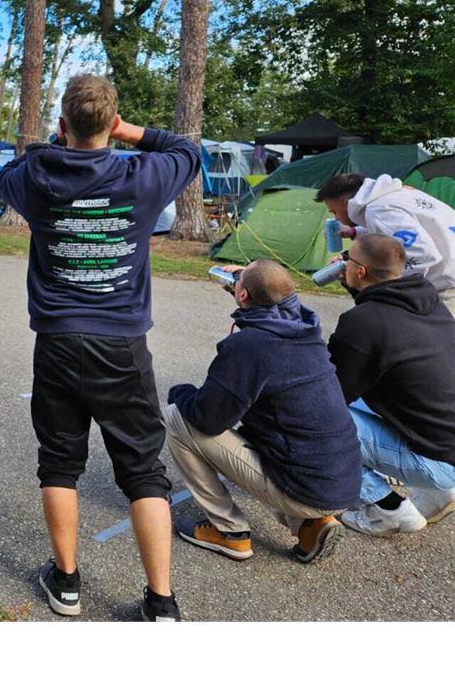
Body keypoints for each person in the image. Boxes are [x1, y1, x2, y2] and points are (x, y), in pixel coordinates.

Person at [0, 74, 201, 621]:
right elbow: (188, 147)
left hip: (59, 342)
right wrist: (126, 132)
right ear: (113, 124)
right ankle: (161, 603)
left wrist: (57, 141)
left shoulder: (38, 174)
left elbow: (7, 173)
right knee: (142, 471)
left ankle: (66, 585)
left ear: (62, 125)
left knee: (59, 464)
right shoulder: (145, 174)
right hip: (122, 346)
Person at [164, 260, 360, 565]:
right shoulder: (306, 329)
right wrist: (251, 282)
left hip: (306, 489)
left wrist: (182, 392)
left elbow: (208, 419)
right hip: (343, 484)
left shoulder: (248, 347)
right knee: (281, 436)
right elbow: (275, 296)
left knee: (178, 417)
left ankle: (230, 533)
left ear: (243, 296)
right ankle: (309, 525)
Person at [324, 235, 455, 536]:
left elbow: (330, 395)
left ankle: (388, 510)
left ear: (360, 272)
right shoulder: (428, 300)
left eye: (348, 258)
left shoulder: (361, 323)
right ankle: (441, 492)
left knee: (316, 421)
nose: (343, 262)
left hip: (438, 462)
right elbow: (383, 322)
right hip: (446, 442)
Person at [315, 173, 455, 314]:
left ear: (346, 202)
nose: (337, 218)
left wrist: (387, 291)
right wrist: (353, 232)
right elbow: (398, 231)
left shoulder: (378, 209)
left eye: (334, 212)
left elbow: (422, 254)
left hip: (446, 286)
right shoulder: (396, 194)